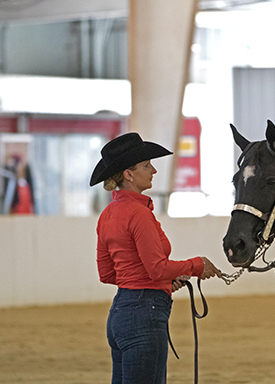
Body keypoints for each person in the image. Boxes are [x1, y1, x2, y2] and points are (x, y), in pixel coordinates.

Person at [90, 132, 221, 383]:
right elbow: (157, 268)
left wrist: (159, 282)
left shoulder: (107, 214)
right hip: (144, 315)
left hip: (120, 313)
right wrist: (198, 265)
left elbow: (107, 274)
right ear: (128, 174)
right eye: (147, 165)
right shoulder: (139, 214)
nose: (154, 171)